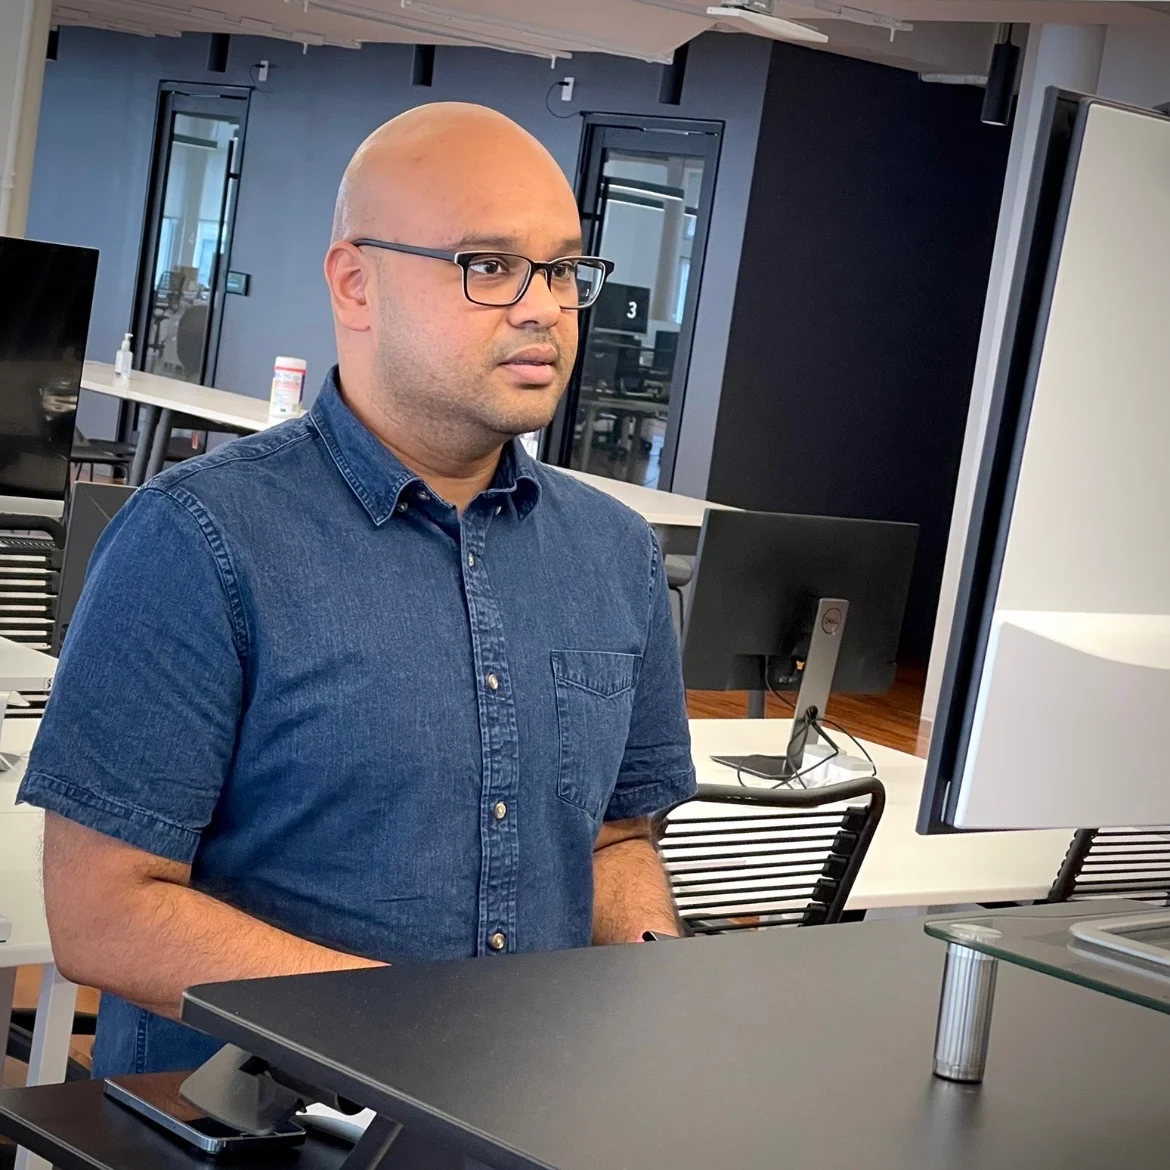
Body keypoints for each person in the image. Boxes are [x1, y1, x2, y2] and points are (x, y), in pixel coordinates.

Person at [18, 102, 696, 1078]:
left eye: (562, 270)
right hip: (256, 1125)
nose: (543, 305)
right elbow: (105, 913)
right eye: (489, 265)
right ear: (355, 282)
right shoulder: (200, 542)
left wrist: (653, 1002)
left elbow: (616, 842)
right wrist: (413, 1043)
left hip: (524, 1115)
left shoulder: (614, 553)